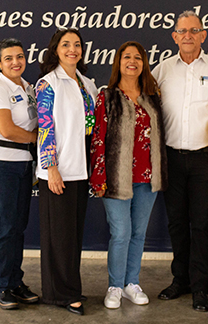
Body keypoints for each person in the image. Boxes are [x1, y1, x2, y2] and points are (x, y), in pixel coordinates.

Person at [152, 10, 208, 312]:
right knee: (176, 223)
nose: (187, 35)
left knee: (201, 225)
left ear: (203, 35)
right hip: (171, 156)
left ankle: (201, 287)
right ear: (174, 36)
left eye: (193, 30)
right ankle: (180, 280)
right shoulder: (161, 70)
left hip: (205, 159)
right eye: (182, 31)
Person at [90, 41, 168, 309]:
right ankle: (114, 286)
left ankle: (131, 283)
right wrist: (98, 177)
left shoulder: (152, 96)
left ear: (144, 63)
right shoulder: (107, 96)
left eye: (138, 57)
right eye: (127, 57)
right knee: (121, 233)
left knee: (138, 233)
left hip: (148, 177)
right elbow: (98, 140)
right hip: (115, 177)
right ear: (118, 63)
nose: (132, 61)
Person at [36, 28, 98, 315]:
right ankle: (61, 293)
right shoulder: (48, 83)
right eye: (65, 45)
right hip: (58, 170)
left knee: (72, 234)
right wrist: (51, 168)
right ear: (56, 49)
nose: (72, 49)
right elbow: (45, 128)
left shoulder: (86, 83)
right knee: (58, 235)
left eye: (76, 45)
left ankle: (70, 285)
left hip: (80, 168)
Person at [0, 38, 39, 310]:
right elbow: (7, 129)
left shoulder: (29, 88)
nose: (15, 62)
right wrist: (40, 139)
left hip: (24, 163)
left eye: (20, 56)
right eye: (8, 58)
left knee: (18, 225)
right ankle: (3, 285)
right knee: (5, 226)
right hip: (0, 164)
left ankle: (16, 281)